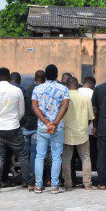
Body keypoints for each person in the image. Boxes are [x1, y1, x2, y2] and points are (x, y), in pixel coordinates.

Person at [0, 67, 32, 193]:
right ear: (9, 77)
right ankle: (30, 184)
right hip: (13, 127)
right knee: (22, 155)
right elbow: (21, 112)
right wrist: (14, 121)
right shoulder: (17, 91)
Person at [32, 64, 70, 193]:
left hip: (42, 127)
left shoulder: (37, 89)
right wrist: (55, 122)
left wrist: (46, 122)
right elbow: (65, 106)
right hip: (57, 128)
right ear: (57, 75)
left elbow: (34, 107)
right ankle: (54, 186)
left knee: (39, 156)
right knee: (56, 157)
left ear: (46, 75)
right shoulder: (63, 89)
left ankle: (38, 185)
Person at [61, 77, 94, 190]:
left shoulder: (63, 99)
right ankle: (87, 183)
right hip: (82, 132)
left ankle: (68, 184)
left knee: (66, 158)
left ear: (67, 86)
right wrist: (84, 126)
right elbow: (90, 118)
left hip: (67, 133)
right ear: (78, 85)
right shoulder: (85, 99)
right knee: (85, 157)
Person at [20, 70, 43, 189]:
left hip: (26, 125)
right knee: (35, 154)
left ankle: (25, 179)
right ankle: (32, 180)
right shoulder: (43, 90)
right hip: (37, 125)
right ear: (44, 79)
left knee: (25, 155)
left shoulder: (27, 89)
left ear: (35, 78)